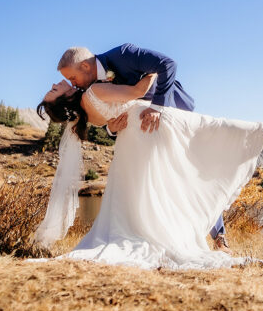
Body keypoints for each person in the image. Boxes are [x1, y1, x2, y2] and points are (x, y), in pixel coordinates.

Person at [32, 74, 263, 270]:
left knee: (172, 178)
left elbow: (110, 114)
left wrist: (113, 124)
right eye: (55, 88)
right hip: (143, 129)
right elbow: (119, 106)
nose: (58, 81)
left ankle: (259, 130)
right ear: (65, 98)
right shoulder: (91, 90)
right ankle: (260, 128)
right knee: (200, 140)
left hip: (143, 129)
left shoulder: (90, 89)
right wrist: (149, 77)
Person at [55, 44, 233, 250]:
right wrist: (112, 129)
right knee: (163, 184)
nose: (73, 83)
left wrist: (158, 107)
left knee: (190, 174)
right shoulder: (90, 88)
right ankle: (171, 238)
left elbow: (168, 64)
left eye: (73, 78)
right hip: (145, 134)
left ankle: (219, 236)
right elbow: (109, 114)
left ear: (85, 66)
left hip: (174, 113)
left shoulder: (124, 54)